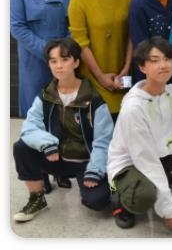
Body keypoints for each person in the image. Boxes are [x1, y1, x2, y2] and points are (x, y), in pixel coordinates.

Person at [12, 38, 113, 222]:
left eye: (65, 59)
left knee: (97, 201)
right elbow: (30, 127)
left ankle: (105, 183)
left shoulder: (94, 100)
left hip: (85, 162)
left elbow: (104, 142)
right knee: (21, 147)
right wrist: (47, 144)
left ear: (76, 62)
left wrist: (95, 170)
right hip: (55, 156)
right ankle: (37, 198)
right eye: (53, 61)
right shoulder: (45, 95)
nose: (59, 66)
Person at [108, 37, 172, 230]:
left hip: (161, 153)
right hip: (131, 163)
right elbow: (145, 159)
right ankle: (123, 202)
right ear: (142, 67)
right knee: (145, 195)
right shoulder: (134, 108)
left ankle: (171, 188)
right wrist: (169, 210)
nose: (163, 65)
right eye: (155, 60)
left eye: (167, 59)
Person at [68, 0, 134, 120]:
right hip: (92, 75)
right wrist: (100, 76)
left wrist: (126, 68)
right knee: (101, 122)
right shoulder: (78, 0)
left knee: (126, 120)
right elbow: (81, 43)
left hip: (124, 72)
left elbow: (132, 34)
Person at [10, 0, 73, 118]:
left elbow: (74, 23)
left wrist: (63, 51)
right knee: (35, 113)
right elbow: (17, 28)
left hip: (64, 60)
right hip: (34, 63)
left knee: (64, 114)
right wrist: (48, 52)